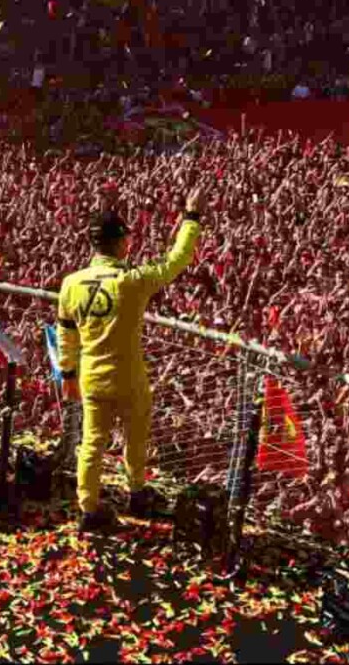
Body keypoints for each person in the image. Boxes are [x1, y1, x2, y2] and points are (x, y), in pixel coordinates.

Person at [55, 186, 205, 531]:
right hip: (129, 377)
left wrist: (67, 375)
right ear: (121, 243)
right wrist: (191, 217)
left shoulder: (70, 283)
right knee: (136, 437)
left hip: (91, 376)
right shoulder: (132, 281)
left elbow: (66, 333)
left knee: (92, 442)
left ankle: (89, 509)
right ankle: (137, 492)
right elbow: (176, 261)